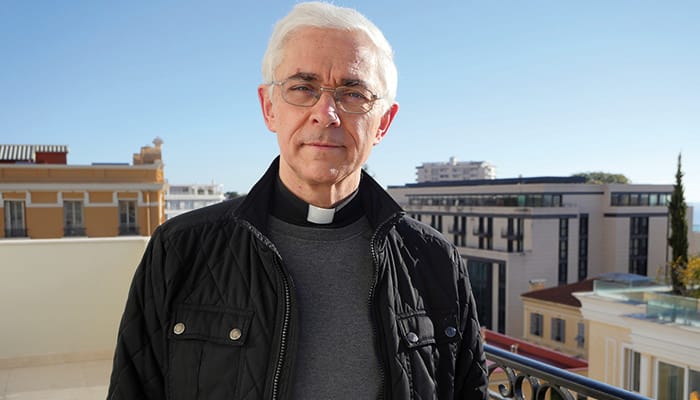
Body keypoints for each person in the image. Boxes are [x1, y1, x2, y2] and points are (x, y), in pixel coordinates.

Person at [107, 2, 488, 399]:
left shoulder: (435, 261)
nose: (326, 114)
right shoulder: (180, 250)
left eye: (353, 93)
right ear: (269, 108)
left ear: (383, 123)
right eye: (303, 88)